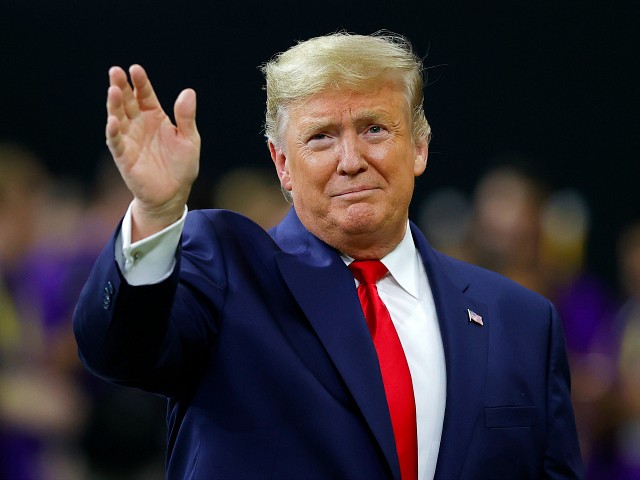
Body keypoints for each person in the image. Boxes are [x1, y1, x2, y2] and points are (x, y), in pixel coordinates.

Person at [74, 32, 583, 479]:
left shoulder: (522, 321)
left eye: (375, 130)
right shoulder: (227, 267)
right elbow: (120, 352)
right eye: (321, 137)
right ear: (282, 165)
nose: (351, 161)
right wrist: (157, 211)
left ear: (421, 148)